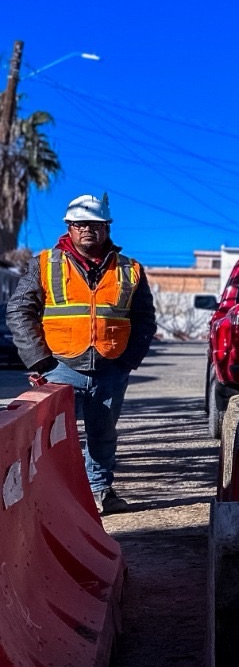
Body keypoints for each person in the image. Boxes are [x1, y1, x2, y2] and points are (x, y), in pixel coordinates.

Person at [7, 193, 156, 516]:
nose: (88, 229)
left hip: (111, 367)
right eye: (80, 224)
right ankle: (53, 496)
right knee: (54, 437)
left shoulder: (129, 269)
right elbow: (19, 311)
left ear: (107, 227)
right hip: (59, 366)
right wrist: (39, 360)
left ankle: (100, 491)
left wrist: (128, 361)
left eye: (95, 224)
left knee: (103, 434)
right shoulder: (45, 263)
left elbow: (145, 319)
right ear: (69, 227)